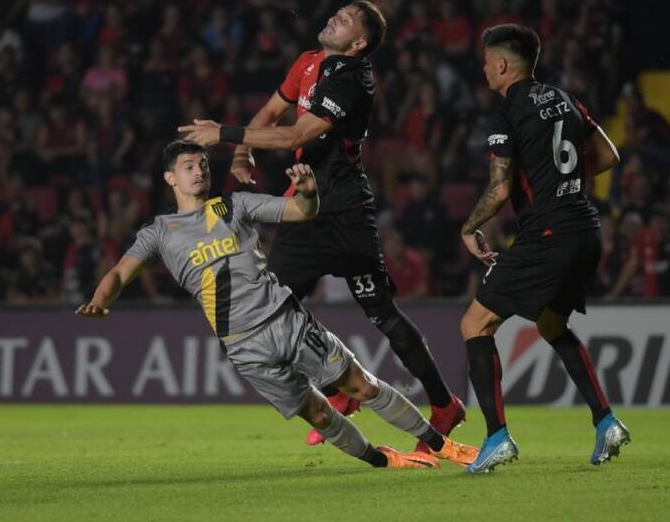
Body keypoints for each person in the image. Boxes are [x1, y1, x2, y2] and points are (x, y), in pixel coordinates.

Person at [76, 140, 478, 470]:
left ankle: (440, 444)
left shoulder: (234, 205)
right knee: (320, 416)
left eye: (202, 164)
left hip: (284, 319)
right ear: (169, 177)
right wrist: (99, 300)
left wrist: (308, 192)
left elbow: (301, 211)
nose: (198, 171)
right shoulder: (159, 233)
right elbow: (118, 274)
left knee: (361, 384)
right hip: (243, 347)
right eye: (187, 166)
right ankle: (383, 460)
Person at [179, 0, 464, 450]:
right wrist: (241, 152)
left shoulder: (353, 78)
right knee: (274, 306)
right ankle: (337, 391)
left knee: (381, 313)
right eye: (339, 11)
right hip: (303, 205)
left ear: (359, 42)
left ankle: (444, 405)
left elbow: (296, 134)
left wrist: (225, 134)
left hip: (346, 209)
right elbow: (272, 112)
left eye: (347, 18)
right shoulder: (307, 63)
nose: (334, 16)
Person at [458, 24, 630, 473]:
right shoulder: (563, 98)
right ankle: (606, 420)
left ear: (501, 64)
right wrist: (560, 178)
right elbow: (609, 156)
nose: (483, 68)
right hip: (585, 230)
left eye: (485, 61)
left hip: (548, 234)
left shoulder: (507, 111)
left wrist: (469, 226)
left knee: (475, 324)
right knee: (552, 325)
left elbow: (498, 191)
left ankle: (497, 437)